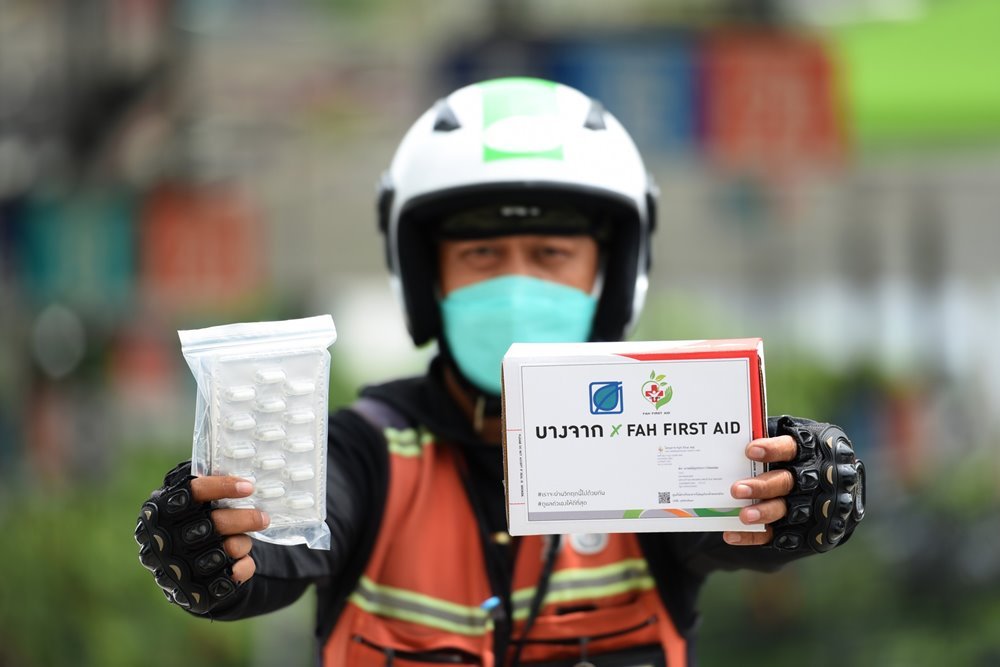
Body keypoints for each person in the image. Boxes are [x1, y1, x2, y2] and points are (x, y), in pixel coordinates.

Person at [135, 77, 865, 666]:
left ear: (608, 279)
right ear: (431, 278)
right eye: (483, 255)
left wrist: (798, 487)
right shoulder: (369, 454)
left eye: (551, 255)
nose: (517, 282)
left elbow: (740, 513)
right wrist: (215, 546)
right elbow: (284, 536)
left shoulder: (654, 441)